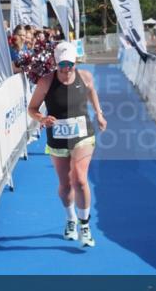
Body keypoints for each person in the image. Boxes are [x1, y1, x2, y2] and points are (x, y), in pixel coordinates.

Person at [27, 41, 107, 249]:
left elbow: (91, 92)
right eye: (62, 65)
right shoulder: (46, 82)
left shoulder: (85, 77)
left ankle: (85, 226)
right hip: (58, 138)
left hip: (83, 136)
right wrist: (42, 119)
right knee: (65, 184)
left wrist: (98, 113)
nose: (66, 70)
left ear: (75, 63)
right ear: (56, 63)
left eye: (69, 65)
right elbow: (32, 108)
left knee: (79, 179)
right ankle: (71, 219)